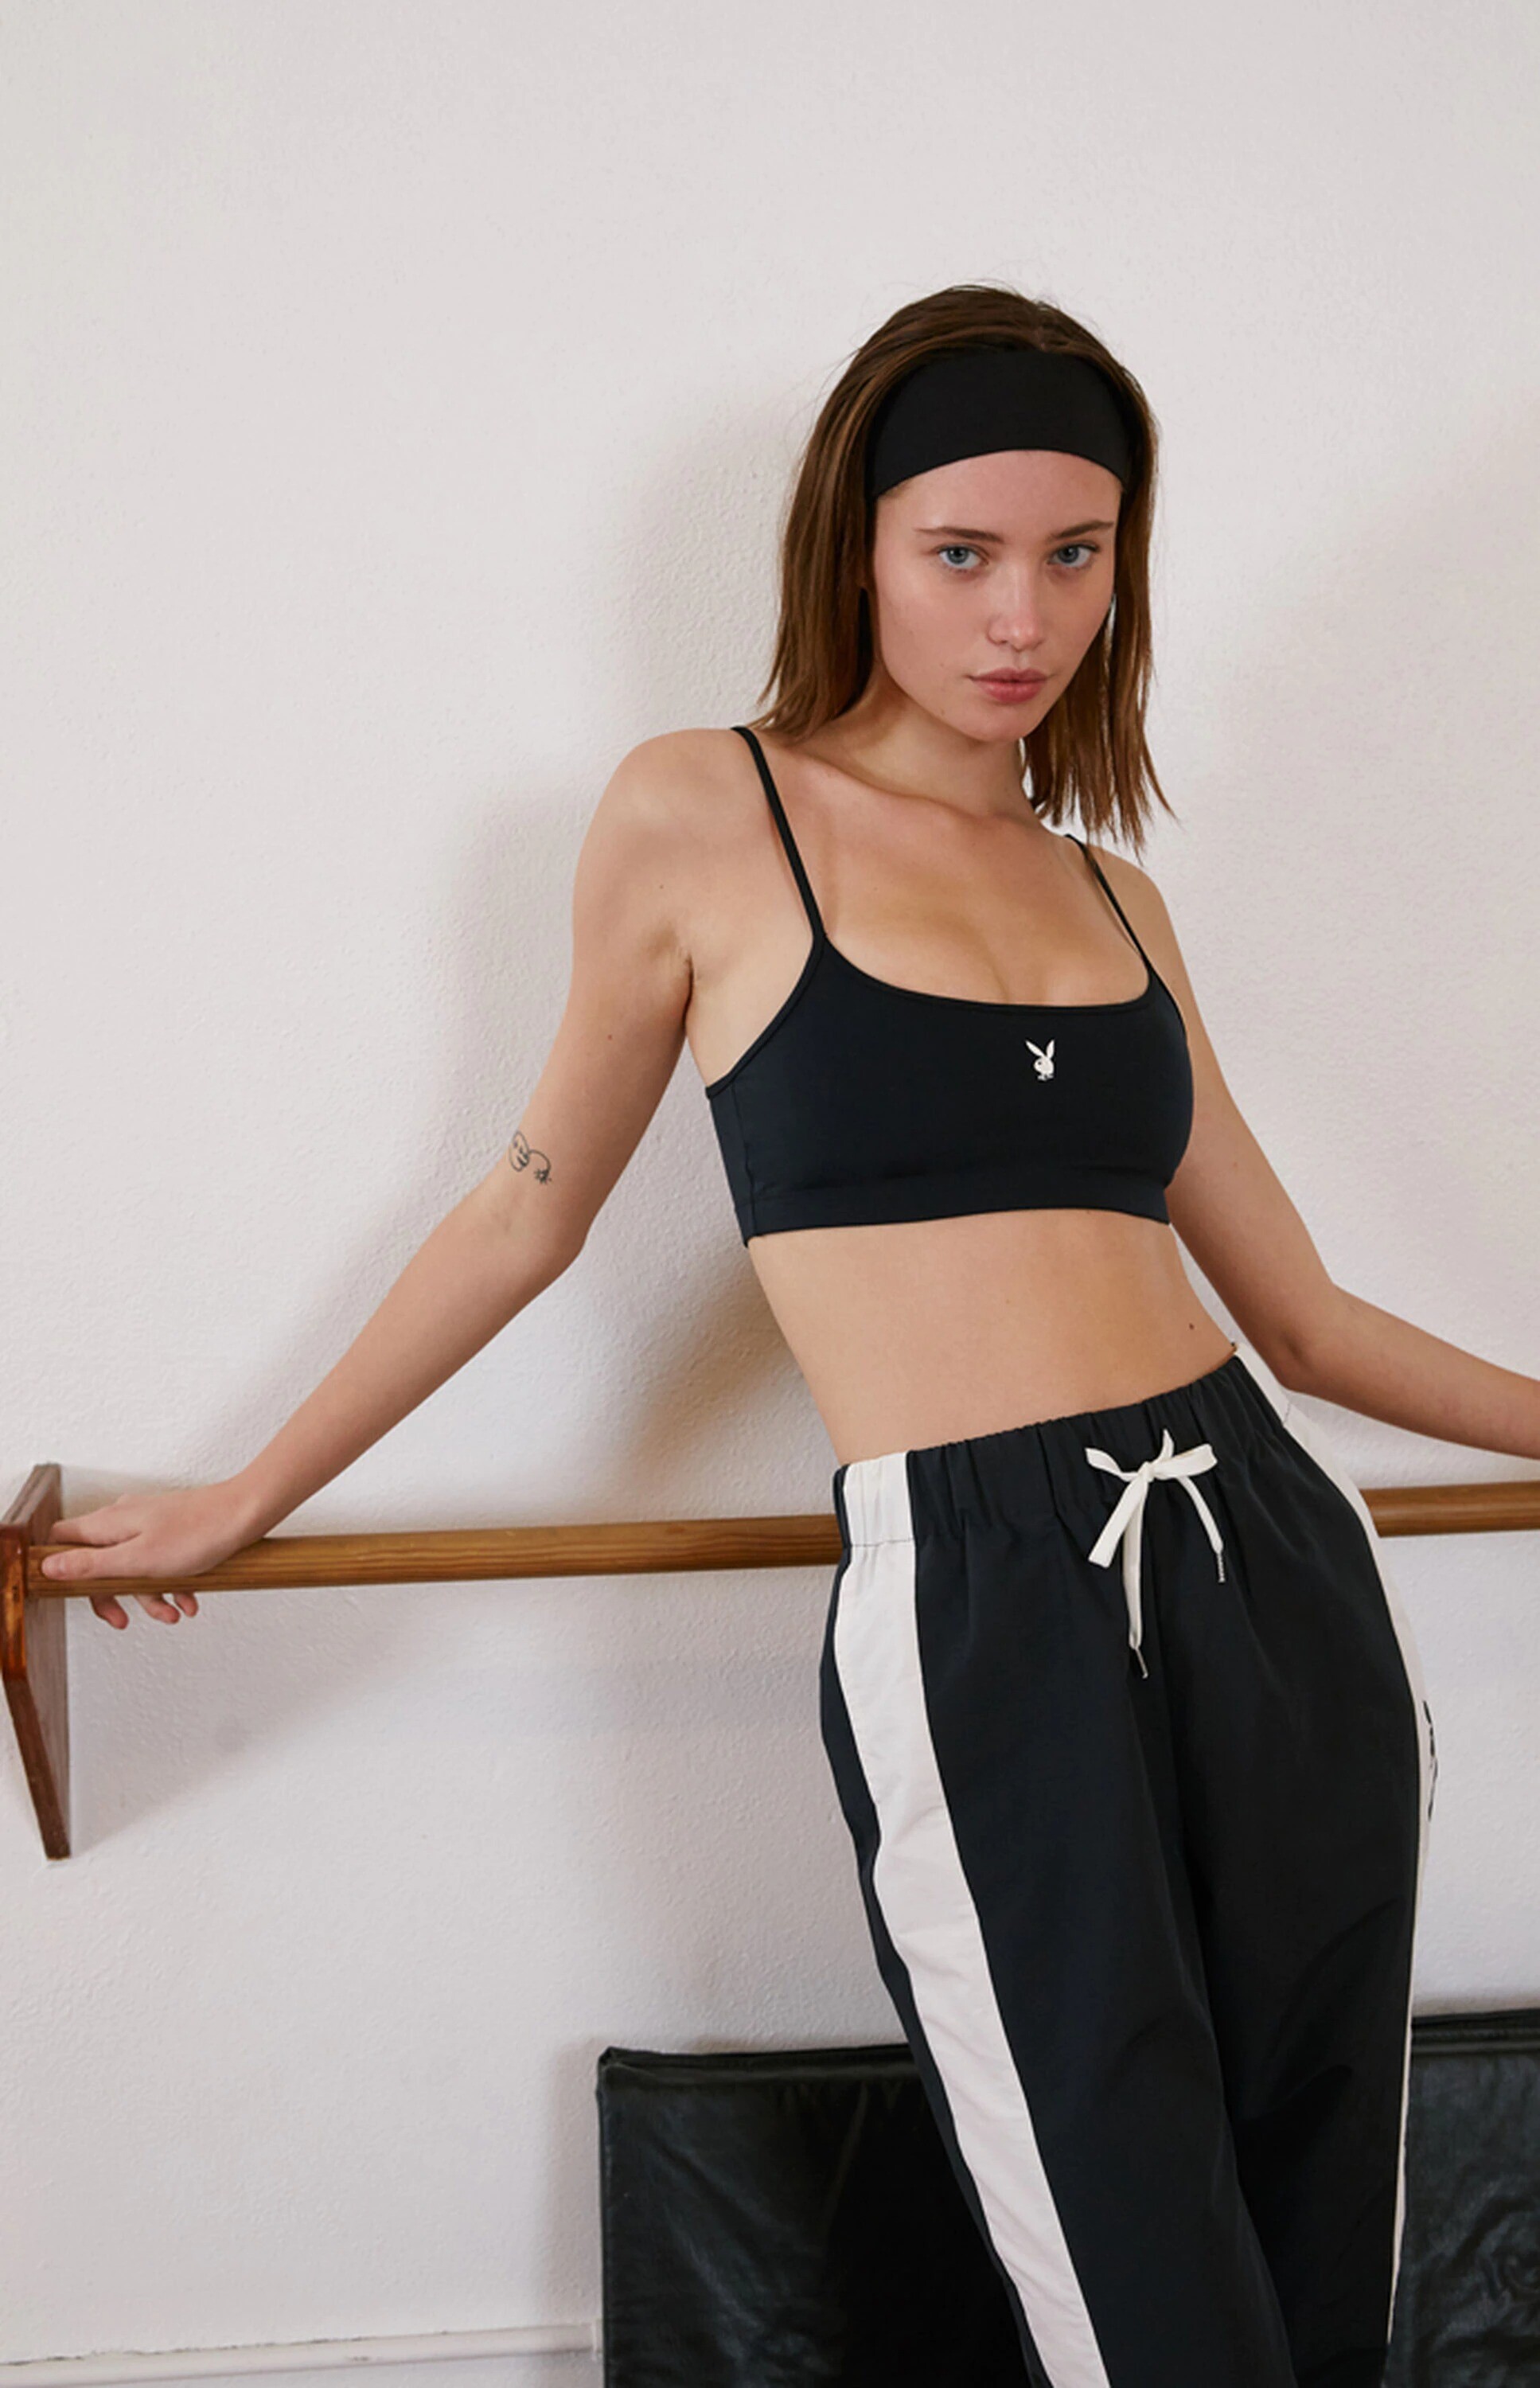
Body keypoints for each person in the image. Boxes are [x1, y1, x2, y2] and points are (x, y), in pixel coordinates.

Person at [39, 281, 1534, 2387]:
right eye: (962, 551)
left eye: (1076, 555)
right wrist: (243, 1496)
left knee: (1322, 2243)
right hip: (990, 1598)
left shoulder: (1117, 898)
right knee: (1140, 2285)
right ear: (857, 545)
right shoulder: (700, 816)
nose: (1021, 614)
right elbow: (523, 1211)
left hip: (1268, 1568)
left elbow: (1305, 1321)